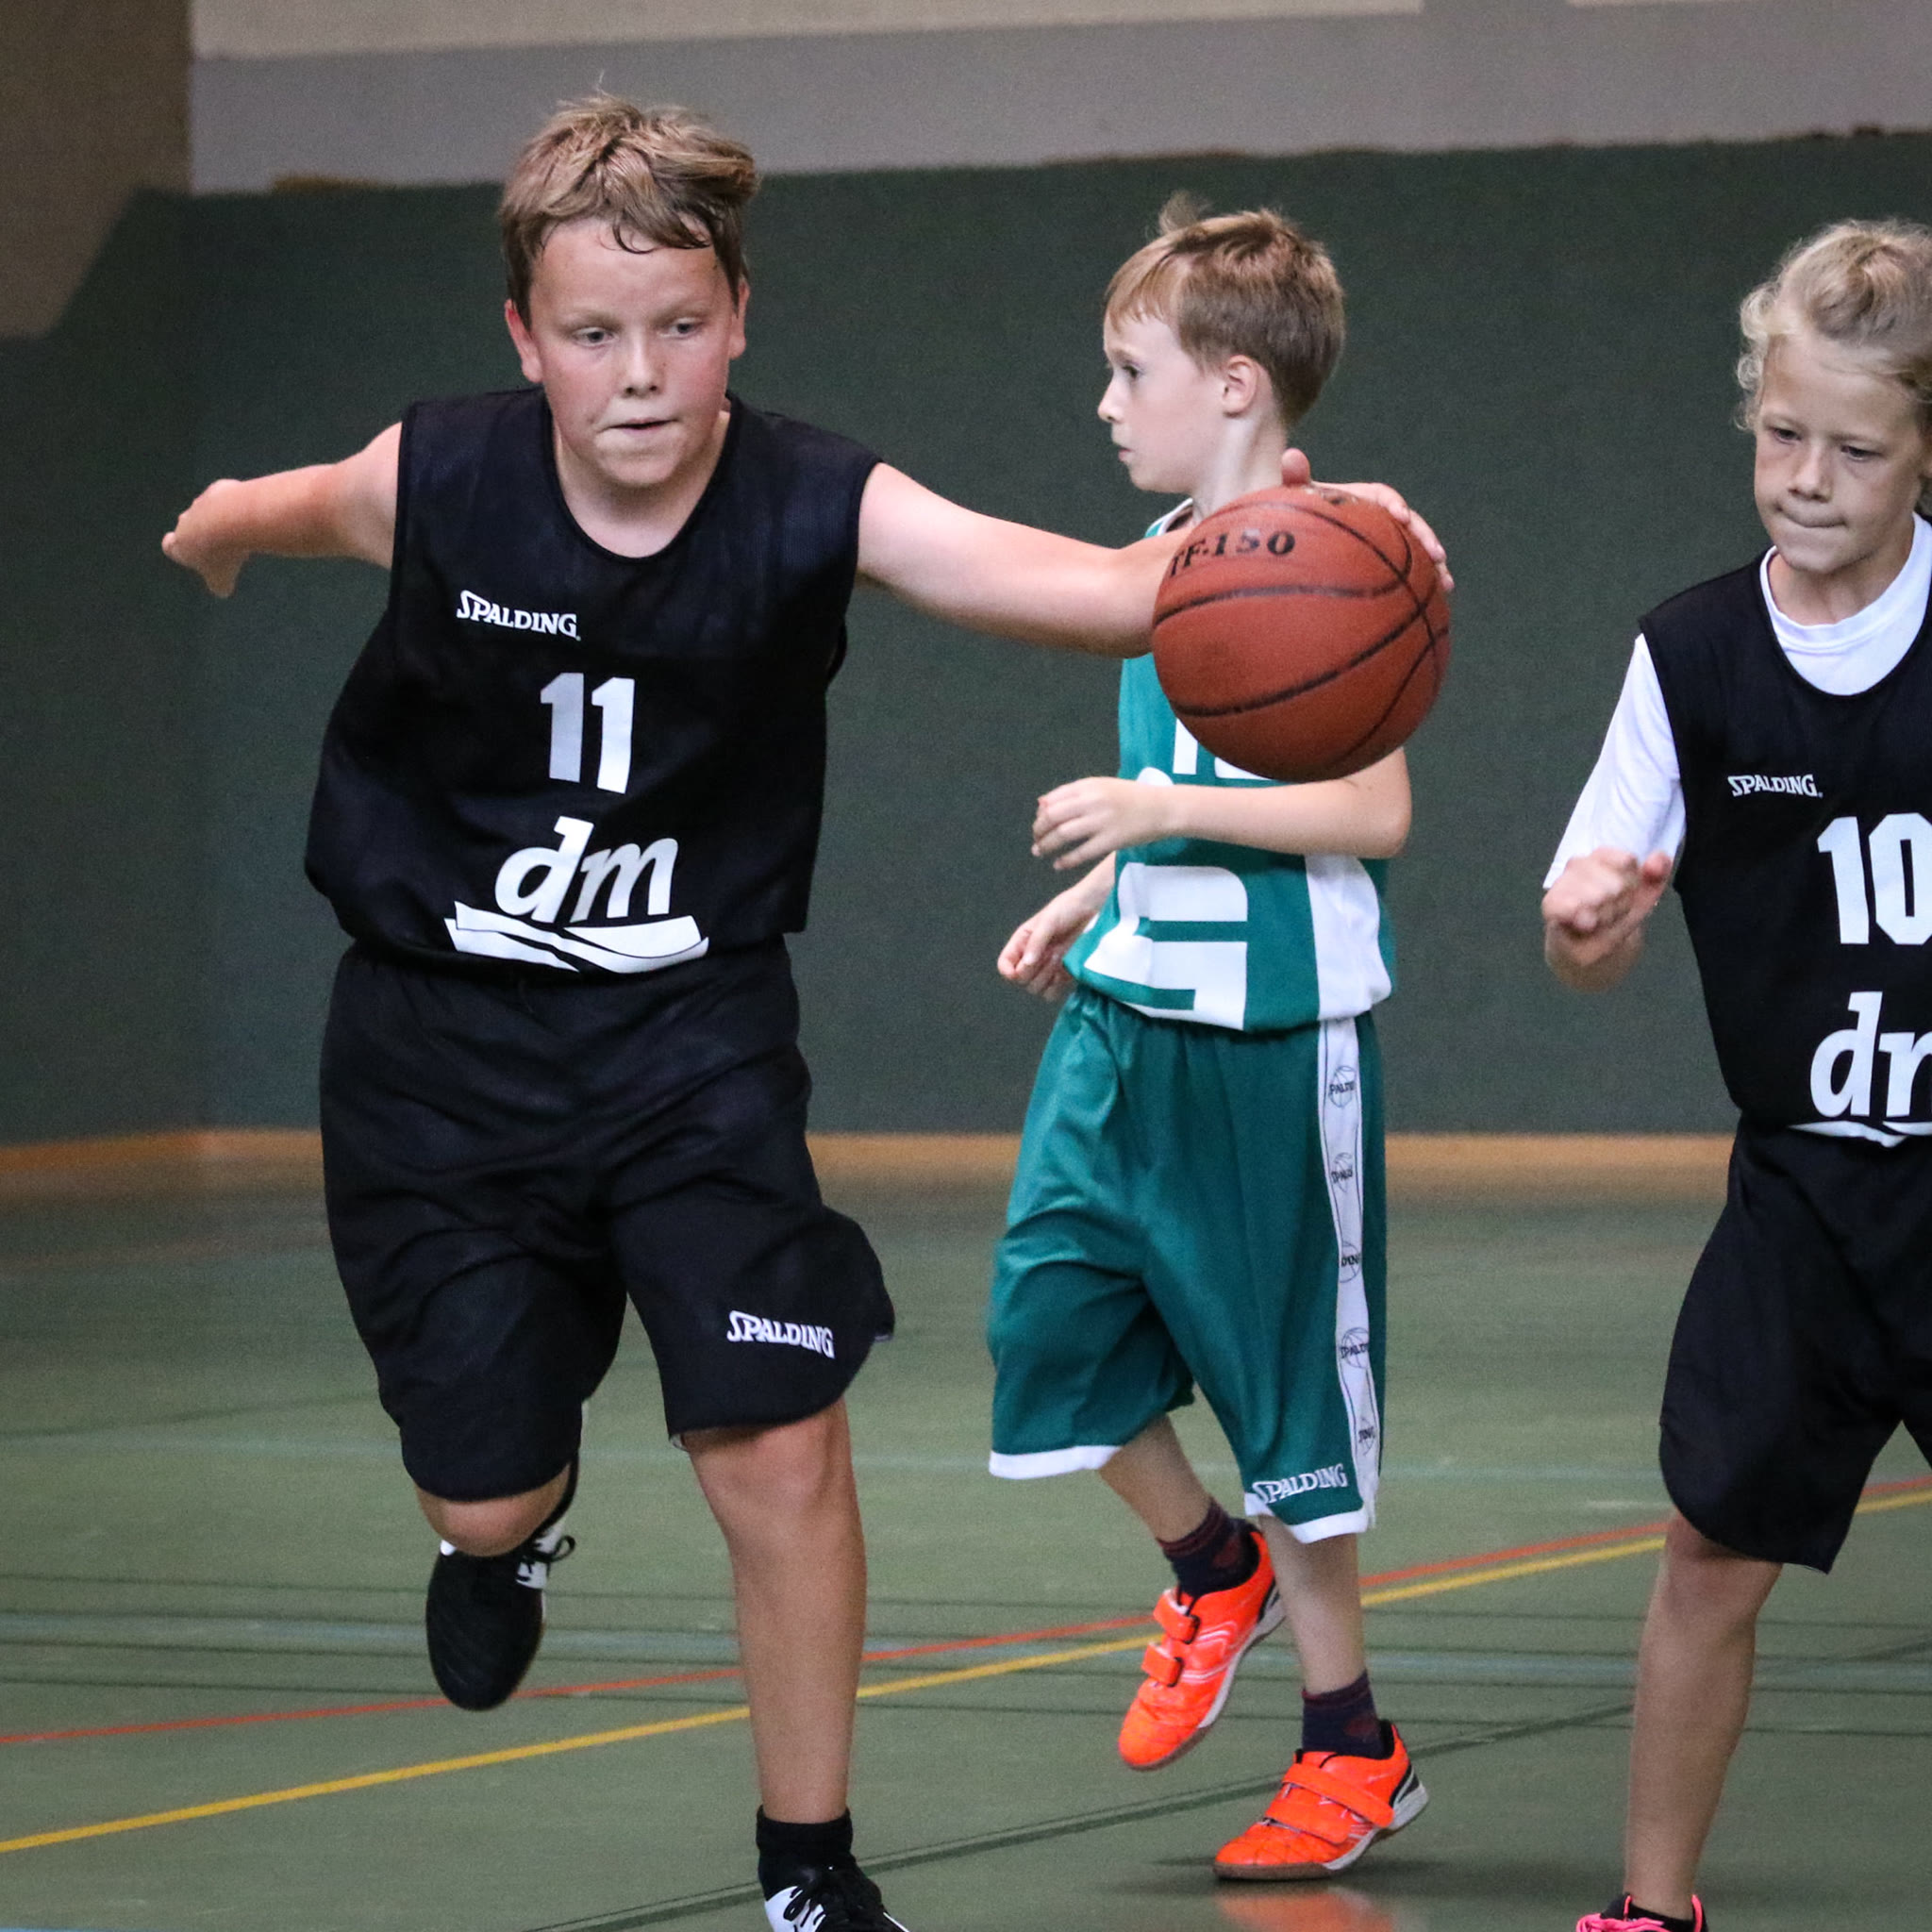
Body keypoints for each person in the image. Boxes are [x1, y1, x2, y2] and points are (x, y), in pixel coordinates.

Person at [161, 99, 1441, 1932]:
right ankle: (499, 1540)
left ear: (740, 317)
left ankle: (809, 1871)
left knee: (778, 1438)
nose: (639, 372)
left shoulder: (816, 500)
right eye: (592, 333)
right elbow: (279, 508)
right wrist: (215, 528)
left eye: (681, 326)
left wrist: (1336, 536)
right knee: (485, 1483)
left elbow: (1102, 592)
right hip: (438, 1060)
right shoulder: (435, 476)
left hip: (689, 1044)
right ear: (524, 339)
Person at [988, 197, 1430, 1883]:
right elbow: (1196, 791)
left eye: (1131, 371)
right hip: (1127, 1018)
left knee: (1288, 1409)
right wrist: (1107, 886)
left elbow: (1371, 811)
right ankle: (1205, 1566)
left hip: (1273, 1040)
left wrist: (1153, 813)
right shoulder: (1164, 556)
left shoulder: (1337, 554)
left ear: (1235, 382)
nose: (1106, 403)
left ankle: (1352, 1748)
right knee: (1042, 1332)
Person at [1543, 220, 1932, 1932]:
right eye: (1782, 434)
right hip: (1803, 1195)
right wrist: (1589, 926)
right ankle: (1652, 1906)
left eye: (1857, 448)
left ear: (1926, 451)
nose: (1808, 478)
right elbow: (1585, 933)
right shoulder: (1691, 656)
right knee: (1710, 1549)